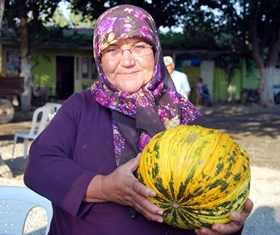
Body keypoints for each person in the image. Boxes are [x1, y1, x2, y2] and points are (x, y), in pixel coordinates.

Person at [24, 4, 253, 235]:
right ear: (99, 58)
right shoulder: (81, 106)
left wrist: (227, 225)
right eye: (112, 50)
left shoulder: (184, 115)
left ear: (156, 52)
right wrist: (105, 187)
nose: (127, 61)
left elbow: (219, 190)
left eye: (139, 46)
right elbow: (40, 166)